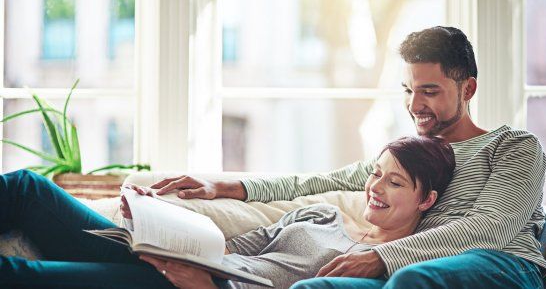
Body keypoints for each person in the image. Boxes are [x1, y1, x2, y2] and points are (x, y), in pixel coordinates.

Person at [149, 26, 546, 289]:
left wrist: (380, 256)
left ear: (468, 89)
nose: (415, 105)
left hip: (503, 266)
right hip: (404, 267)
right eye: (408, 91)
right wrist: (228, 185)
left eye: (429, 91)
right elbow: (319, 181)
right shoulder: (412, 156)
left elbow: (491, 227)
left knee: (412, 280)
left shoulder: (513, 147)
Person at [0, 136, 454, 289]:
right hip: (175, 264)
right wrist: (155, 224)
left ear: (426, 200)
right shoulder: (322, 217)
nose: (375, 188)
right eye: (376, 174)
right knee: (28, 188)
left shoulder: (378, 273)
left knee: (23, 275)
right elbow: (233, 246)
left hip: (195, 287)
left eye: (394, 183)